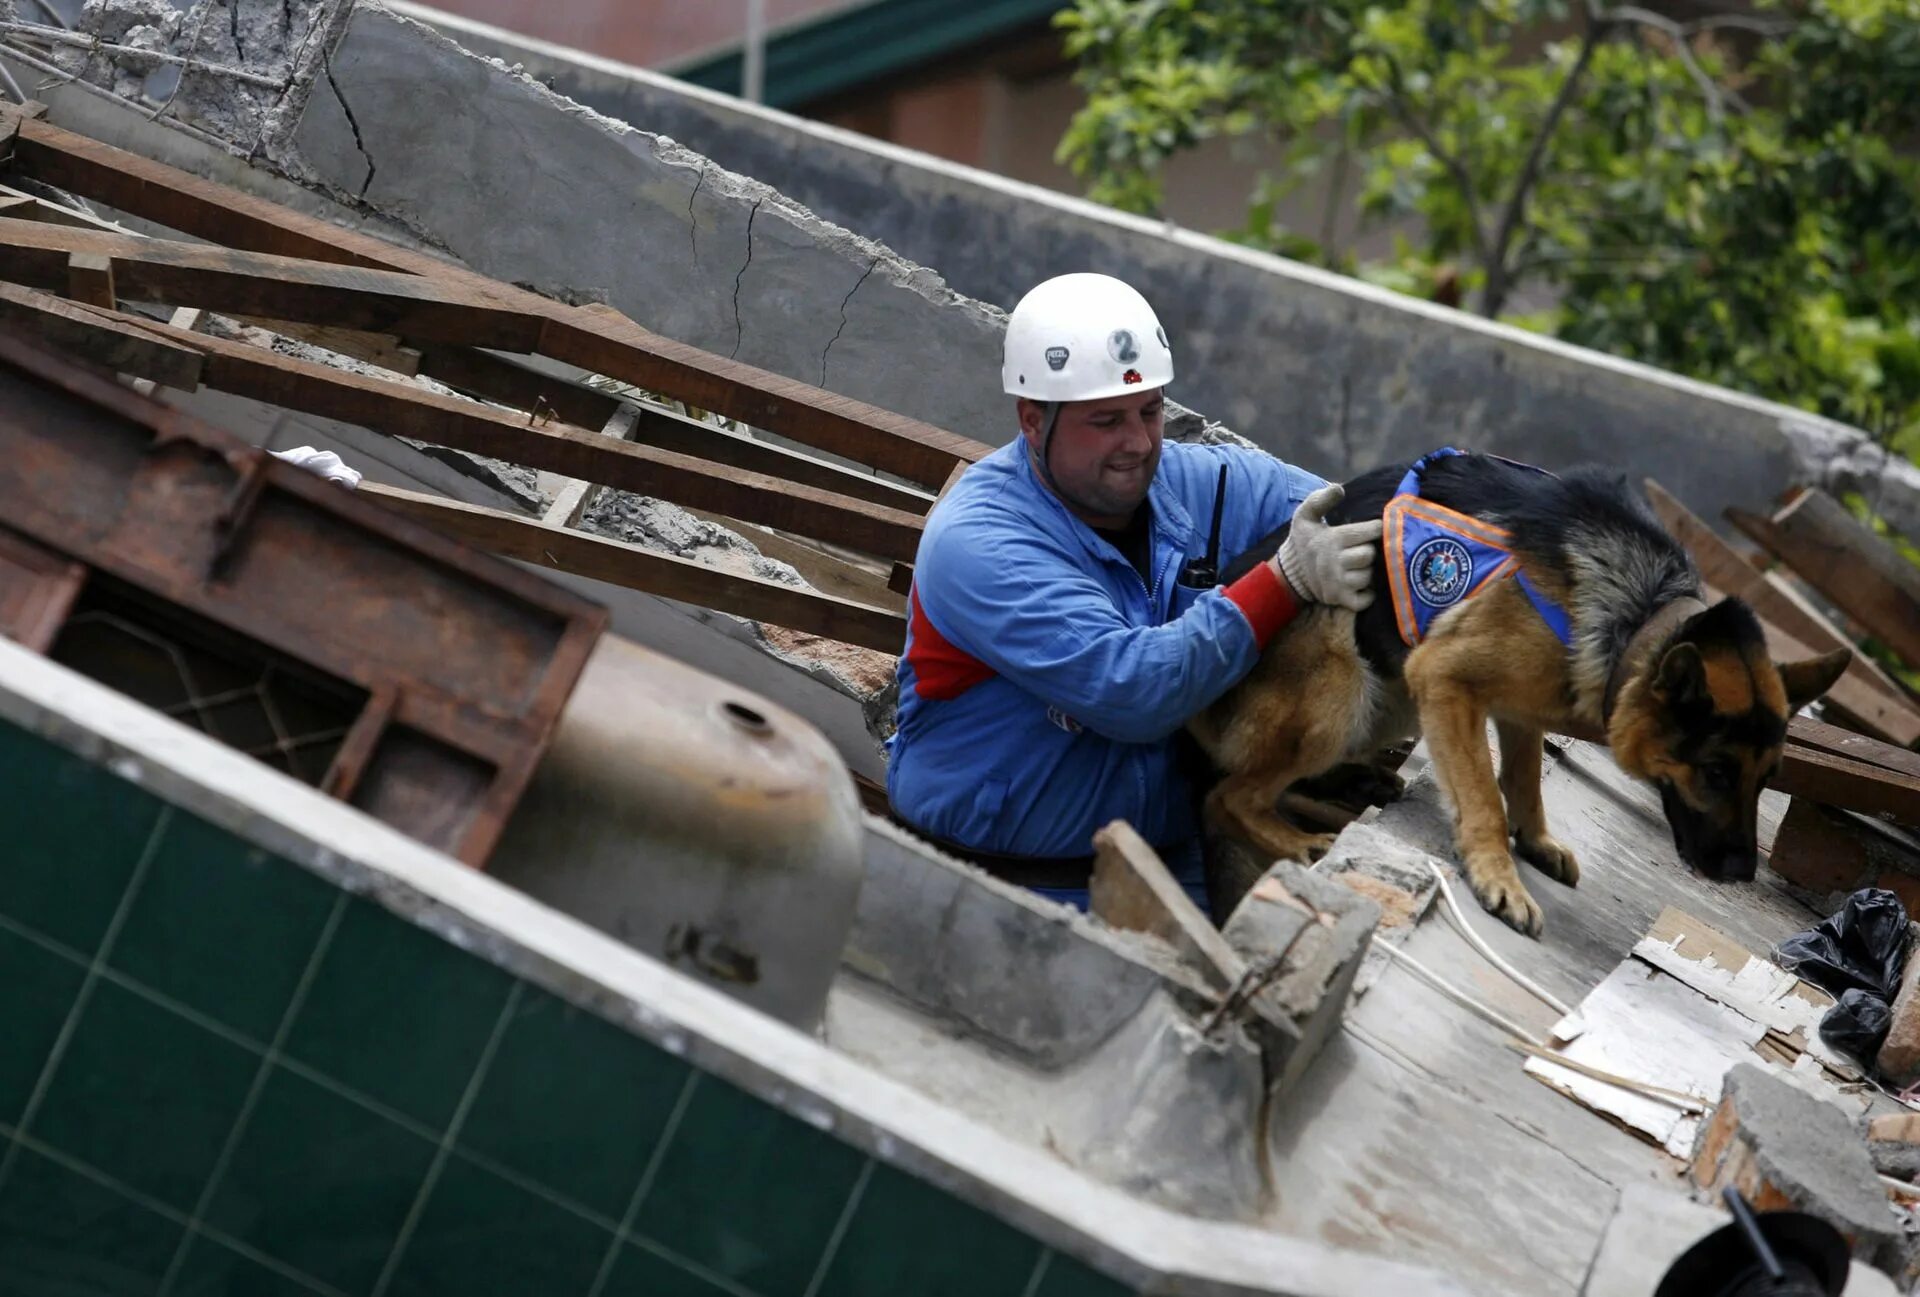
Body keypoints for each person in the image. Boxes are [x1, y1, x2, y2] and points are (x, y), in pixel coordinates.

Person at [885, 272, 1382, 910]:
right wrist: (1281, 581)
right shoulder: (981, 542)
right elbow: (1131, 690)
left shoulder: (1198, 483)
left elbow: (1349, 510)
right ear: (1033, 420)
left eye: (1150, 411)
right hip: (996, 887)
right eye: (1106, 421)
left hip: (1169, 878)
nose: (1139, 443)